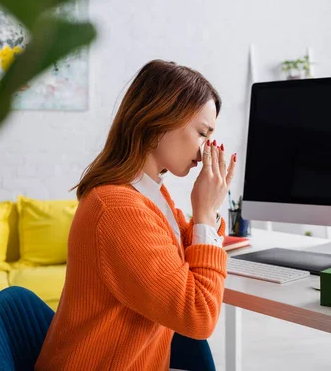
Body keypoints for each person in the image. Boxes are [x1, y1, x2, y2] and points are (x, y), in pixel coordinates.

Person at [35, 60, 237, 370]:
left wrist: (208, 210)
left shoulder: (147, 192)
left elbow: (184, 252)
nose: (204, 151)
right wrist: (205, 212)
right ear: (161, 119)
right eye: (202, 133)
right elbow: (198, 315)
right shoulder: (119, 208)